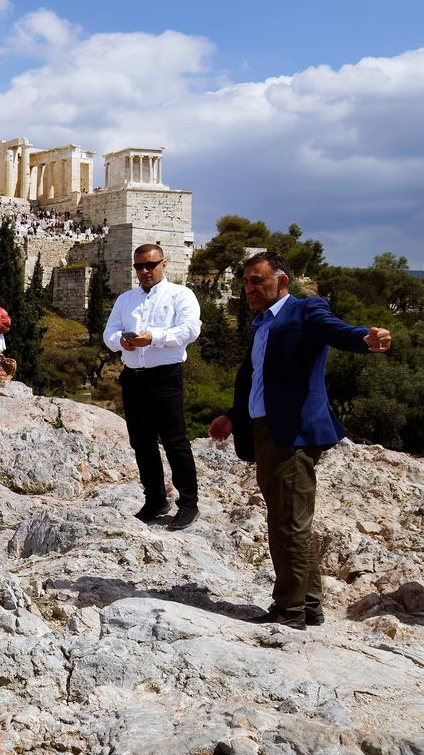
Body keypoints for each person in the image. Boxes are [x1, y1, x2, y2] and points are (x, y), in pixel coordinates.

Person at [209, 251, 392, 630]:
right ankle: (308, 604)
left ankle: (288, 611)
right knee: (289, 521)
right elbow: (254, 379)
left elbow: (337, 330)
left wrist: (366, 339)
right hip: (264, 430)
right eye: (246, 282)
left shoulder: (306, 310)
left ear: (282, 282)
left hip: (292, 434)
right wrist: (233, 415)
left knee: (286, 524)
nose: (250, 289)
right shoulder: (261, 324)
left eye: (258, 280)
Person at [103, 244, 202, 530]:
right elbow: (109, 331)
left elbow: (190, 329)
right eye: (139, 267)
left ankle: (188, 503)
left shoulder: (181, 295)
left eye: (150, 265)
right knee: (142, 442)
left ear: (163, 264)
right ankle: (155, 499)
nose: (144, 271)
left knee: (174, 441)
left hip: (165, 376)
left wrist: (154, 338)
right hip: (133, 376)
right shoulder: (126, 299)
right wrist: (119, 341)